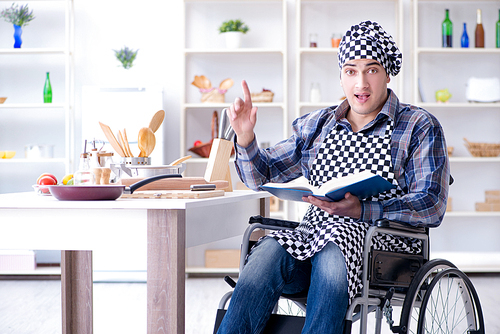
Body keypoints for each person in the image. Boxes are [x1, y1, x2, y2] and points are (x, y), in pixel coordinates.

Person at [217, 21, 450, 334]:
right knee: (266, 252)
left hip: (382, 252)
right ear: (341, 76)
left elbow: (431, 204)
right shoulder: (319, 124)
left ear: (388, 74)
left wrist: (362, 210)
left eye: (372, 70)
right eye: (351, 71)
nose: (361, 82)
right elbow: (263, 174)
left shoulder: (418, 126)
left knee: (333, 247)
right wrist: (245, 139)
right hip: (312, 238)